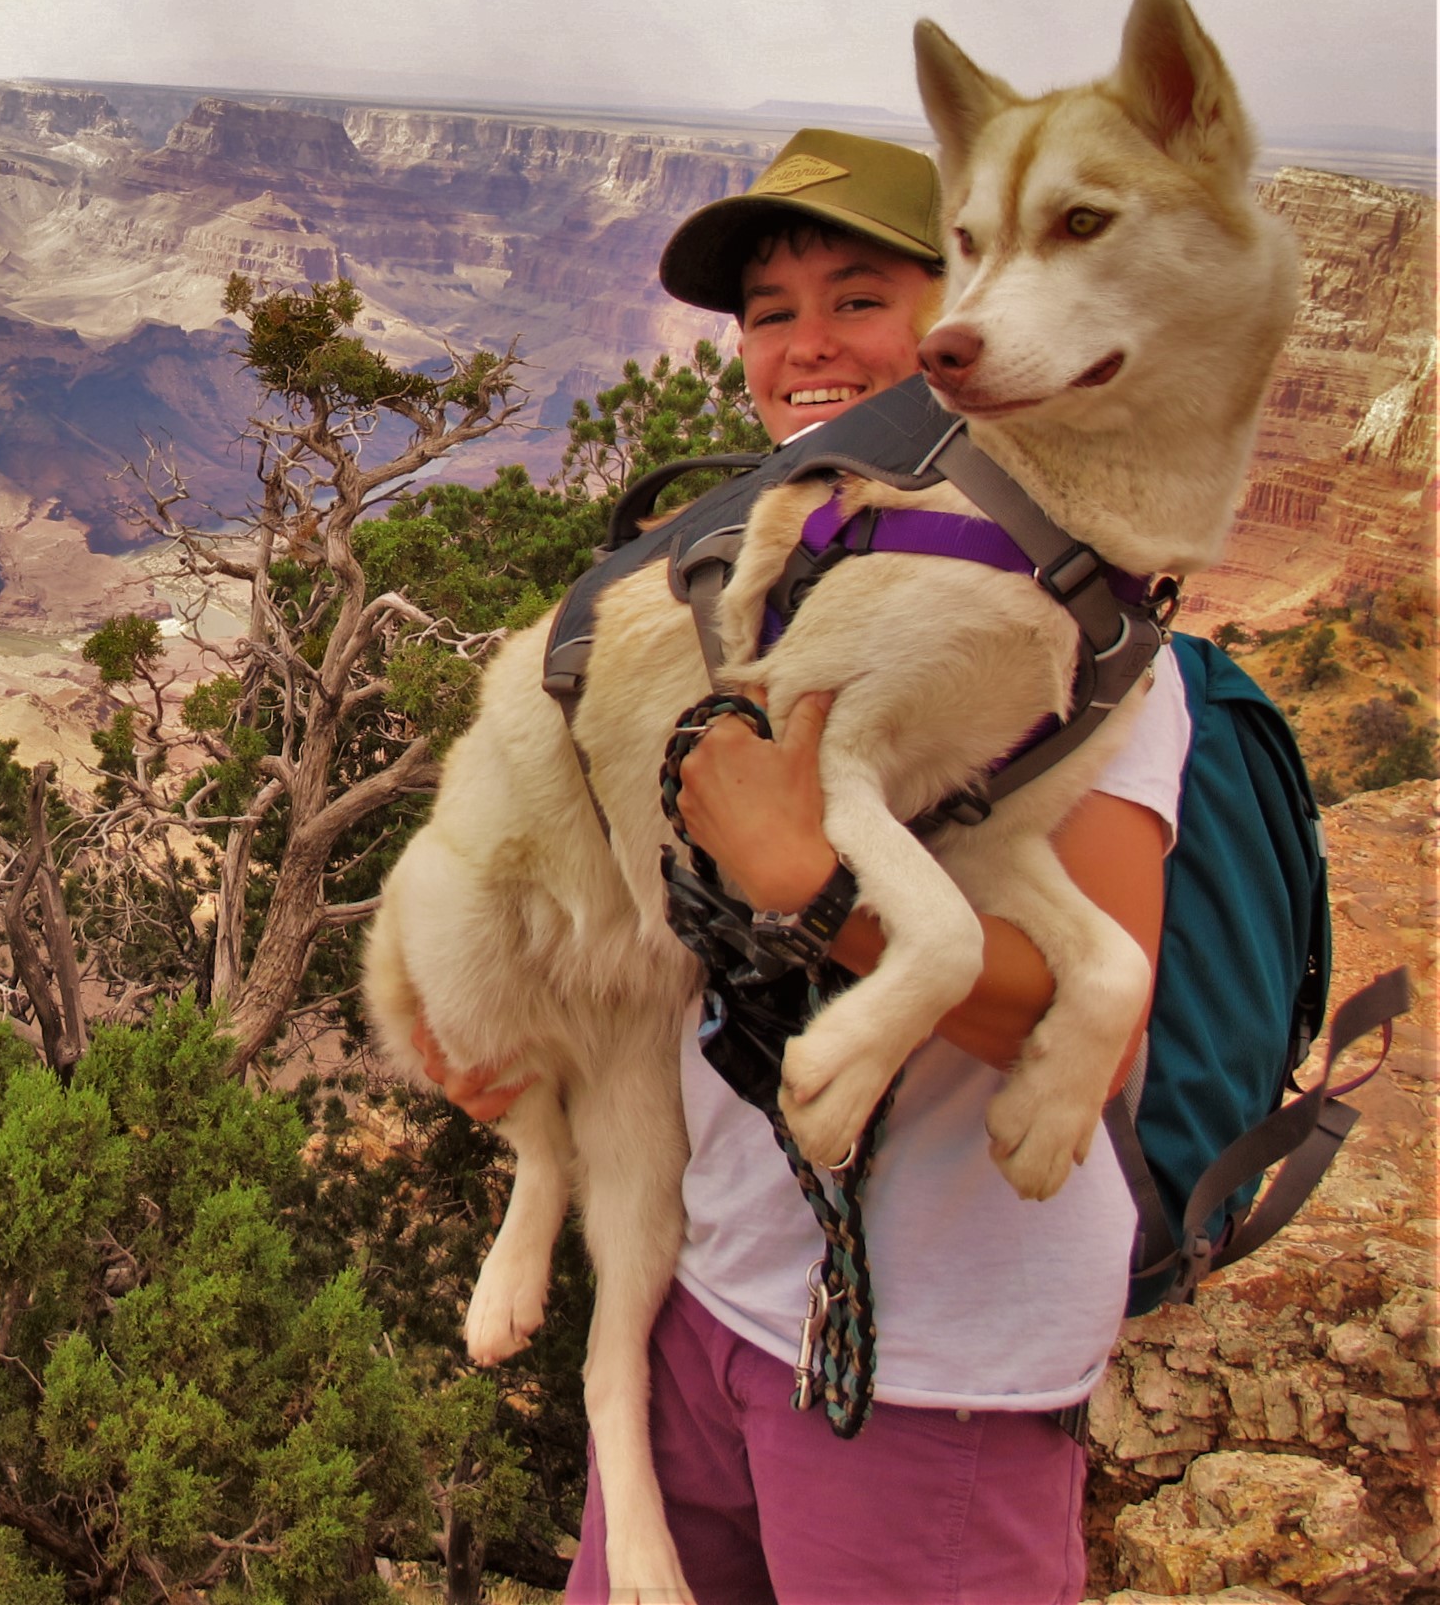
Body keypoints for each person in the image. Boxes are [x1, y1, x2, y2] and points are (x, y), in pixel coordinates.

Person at [416, 129, 1190, 1605]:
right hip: (705, 1299)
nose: (806, 347)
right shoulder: (762, 579)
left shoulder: (1069, 625)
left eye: (860, 299)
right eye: (771, 314)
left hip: (929, 1374)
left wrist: (810, 888)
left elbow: (1071, 1018)